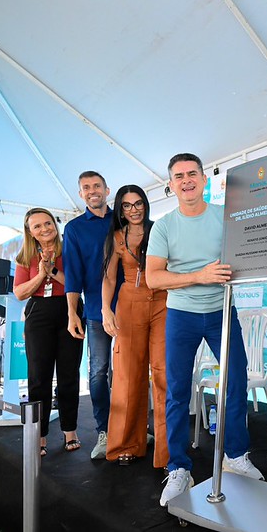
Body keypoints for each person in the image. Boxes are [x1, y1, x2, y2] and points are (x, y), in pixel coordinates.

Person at [146, 153, 263, 507]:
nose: (186, 180)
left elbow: (250, 255)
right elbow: (153, 278)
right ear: (171, 185)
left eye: (192, 173)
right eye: (179, 176)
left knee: (236, 381)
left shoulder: (225, 217)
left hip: (221, 312)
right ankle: (179, 467)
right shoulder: (164, 226)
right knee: (177, 391)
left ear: (204, 179)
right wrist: (199, 276)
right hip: (181, 314)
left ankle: (235, 456)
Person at [102, 185, 169, 467]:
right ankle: (125, 445)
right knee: (128, 376)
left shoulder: (160, 229)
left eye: (138, 203)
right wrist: (105, 309)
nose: (134, 210)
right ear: (120, 209)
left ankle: (167, 453)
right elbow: (109, 278)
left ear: (145, 204)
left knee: (164, 374)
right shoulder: (116, 237)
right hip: (129, 303)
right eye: (127, 205)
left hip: (163, 301)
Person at [14, 207, 84, 457]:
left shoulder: (70, 249)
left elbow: (78, 282)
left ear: (55, 224)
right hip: (38, 313)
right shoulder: (25, 257)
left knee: (69, 374)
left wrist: (52, 271)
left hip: (70, 309)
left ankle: (70, 431)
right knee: (38, 377)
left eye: (48, 223)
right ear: (30, 232)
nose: (45, 229)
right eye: (37, 226)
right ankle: (39, 434)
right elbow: (20, 292)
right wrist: (41, 274)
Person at [63, 170, 122, 460]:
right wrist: (72, 313)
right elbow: (72, 274)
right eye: (86, 187)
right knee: (98, 372)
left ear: (107, 190)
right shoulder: (74, 228)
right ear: (80, 194)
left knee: (130, 371)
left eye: (97, 185)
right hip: (96, 313)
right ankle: (105, 431)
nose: (92, 191)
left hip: (131, 308)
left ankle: (131, 428)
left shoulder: (122, 219)